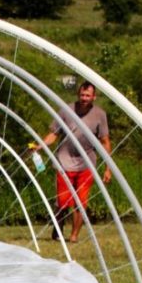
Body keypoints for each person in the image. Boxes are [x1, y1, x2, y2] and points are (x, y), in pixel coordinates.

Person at [42, 81, 112, 243]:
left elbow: (105, 142)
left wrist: (108, 168)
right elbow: (54, 134)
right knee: (62, 202)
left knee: (80, 202)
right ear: (78, 95)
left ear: (94, 97)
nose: (84, 98)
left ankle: (74, 236)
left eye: (88, 95)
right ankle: (58, 231)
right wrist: (40, 145)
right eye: (82, 95)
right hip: (64, 162)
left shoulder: (99, 115)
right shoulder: (66, 110)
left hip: (86, 164)